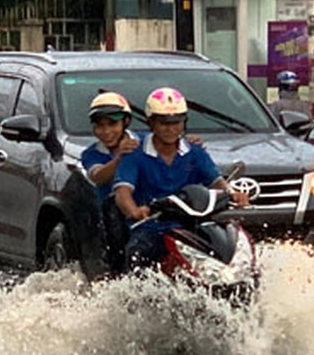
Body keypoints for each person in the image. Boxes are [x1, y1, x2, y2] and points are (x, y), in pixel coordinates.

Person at [113, 87, 250, 271]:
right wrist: (135, 211)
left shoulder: (195, 151)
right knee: (138, 252)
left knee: (233, 250)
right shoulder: (134, 153)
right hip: (153, 227)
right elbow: (123, 193)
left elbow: (216, 181)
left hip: (192, 226)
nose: (171, 128)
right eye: (164, 123)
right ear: (151, 123)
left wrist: (232, 194)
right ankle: (133, 297)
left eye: (177, 122)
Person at [80, 91, 139, 274]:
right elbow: (98, 176)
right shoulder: (91, 154)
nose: (106, 132)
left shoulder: (144, 143)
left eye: (112, 124)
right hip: (115, 221)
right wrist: (119, 158)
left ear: (126, 122)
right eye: (100, 126)